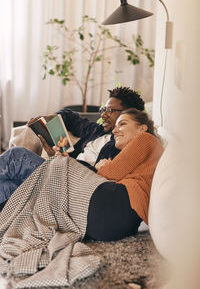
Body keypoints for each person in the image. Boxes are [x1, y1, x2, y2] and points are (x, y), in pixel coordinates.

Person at [0, 108, 163, 240]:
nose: (115, 130)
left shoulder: (146, 139)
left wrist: (102, 166)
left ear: (142, 128)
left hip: (110, 207)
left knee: (16, 156)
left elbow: (109, 173)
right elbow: (104, 172)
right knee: (12, 187)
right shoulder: (123, 150)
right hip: (106, 218)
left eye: (122, 124)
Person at [0, 87, 145, 206]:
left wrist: (66, 162)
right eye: (103, 110)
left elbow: (99, 176)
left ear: (129, 114)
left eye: (110, 111)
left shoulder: (125, 145)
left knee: (16, 156)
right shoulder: (97, 131)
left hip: (72, 185)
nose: (104, 116)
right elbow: (69, 116)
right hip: (60, 173)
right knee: (10, 186)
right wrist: (51, 119)